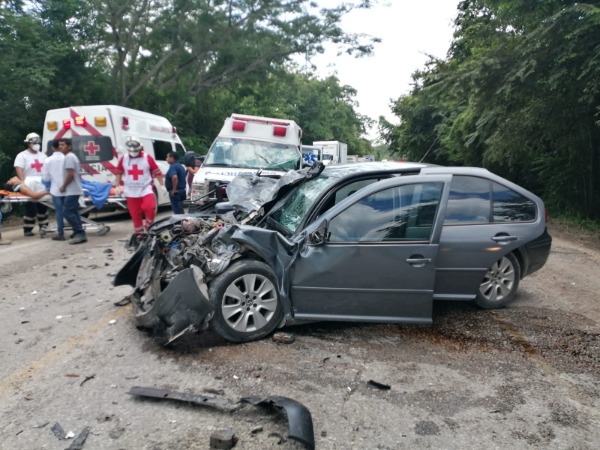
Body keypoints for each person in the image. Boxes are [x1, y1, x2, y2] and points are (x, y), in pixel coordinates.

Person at [114, 137, 164, 238]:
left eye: (136, 150)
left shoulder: (147, 158)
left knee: (150, 207)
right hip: (130, 191)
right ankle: (140, 235)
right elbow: (119, 172)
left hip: (145, 189)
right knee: (135, 214)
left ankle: (149, 226)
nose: (133, 152)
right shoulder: (124, 159)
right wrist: (117, 186)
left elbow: (157, 172)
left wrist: (162, 185)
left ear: (140, 148)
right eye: (131, 150)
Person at [47, 139, 87, 244]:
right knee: (74, 212)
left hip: (72, 190)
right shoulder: (70, 156)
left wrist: (63, 186)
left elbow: (70, 174)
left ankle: (79, 233)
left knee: (67, 212)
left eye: (63, 145)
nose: (61, 146)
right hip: (74, 189)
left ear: (69, 147)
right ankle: (77, 232)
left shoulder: (69, 157)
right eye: (60, 145)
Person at [14, 132, 49, 236]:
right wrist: (23, 183)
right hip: (29, 184)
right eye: (34, 142)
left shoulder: (43, 155)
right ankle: (28, 229)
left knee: (43, 206)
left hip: (41, 183)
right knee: (30, 207)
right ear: (28, 143)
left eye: (38, 142)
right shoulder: (22, 156)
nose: (36, 144)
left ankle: (44, 227)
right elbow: (19, 169)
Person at [41, 144, 68, 241]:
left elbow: (45, 178)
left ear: (52, 148)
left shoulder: (48, 160)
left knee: (59, 212)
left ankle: (61, 234)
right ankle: (76, 231)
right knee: (71, 211)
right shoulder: (67, 158)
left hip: (55, 190)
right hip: (68, 189)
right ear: (61, 147)